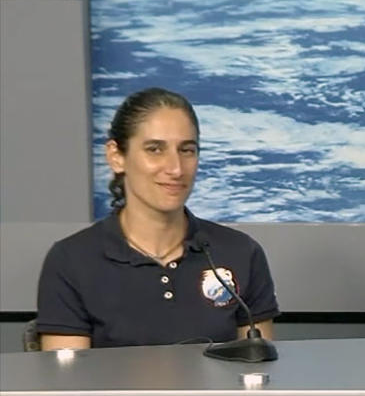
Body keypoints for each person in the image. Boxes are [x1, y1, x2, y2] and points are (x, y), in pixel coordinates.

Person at [36, 87, 279, 349]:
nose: (175, 169)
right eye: (155, 149)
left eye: (187, 150)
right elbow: (66, 384)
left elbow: (257, 373)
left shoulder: (241, 252)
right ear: (116, 157)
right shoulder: (71, 260)